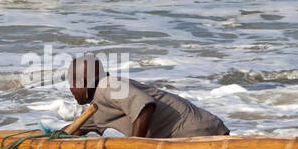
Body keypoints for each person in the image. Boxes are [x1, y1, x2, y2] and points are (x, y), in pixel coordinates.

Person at [67, 53, 228, 139]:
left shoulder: (108, 85)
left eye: (72, 83)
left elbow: (144, 106)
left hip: (198, 132)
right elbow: (73, 131)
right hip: (195, 133)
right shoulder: (98, 105)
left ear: (84, 82)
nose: (70, 89)